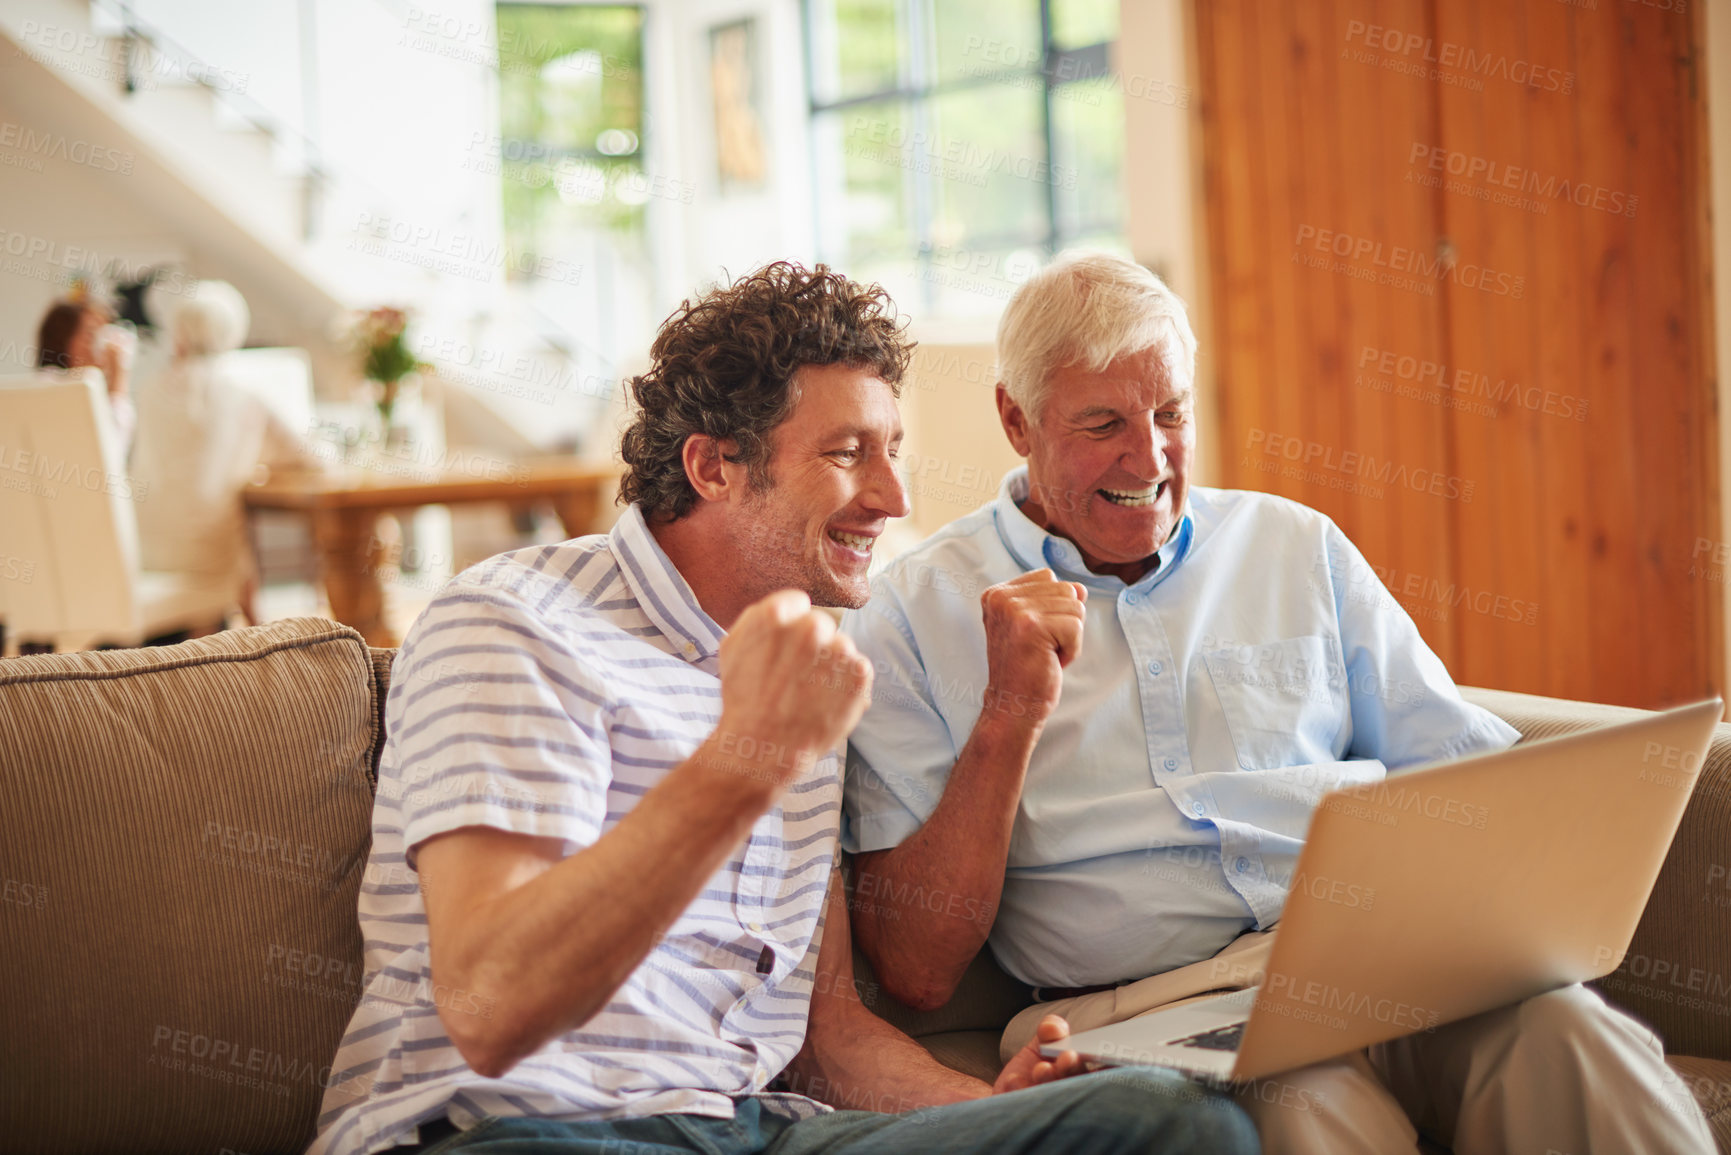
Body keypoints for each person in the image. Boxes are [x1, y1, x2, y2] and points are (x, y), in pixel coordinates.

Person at [308, 262, 1258, 1155]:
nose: (891, 496)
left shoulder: (816, 668)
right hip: (525, 1131)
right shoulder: (516, 625)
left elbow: (830, 1042)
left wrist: (998, 1110)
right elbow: (491, 1007)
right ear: (715, 465)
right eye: (848, 454)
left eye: (893, 452)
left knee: (1168, 1122)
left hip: (756, 1127)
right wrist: (747, 757)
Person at [839, 251, 1713, 1154]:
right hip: (1145, 1005)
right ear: (1015, 419)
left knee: (1572, 1036)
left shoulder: (1294, 547)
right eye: (1102, 423)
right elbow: (915, 969)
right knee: (1318, 1108)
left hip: (1382, 958)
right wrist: (1007, 714)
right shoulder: (910, 613)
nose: (1149, 456)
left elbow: (1467, 776)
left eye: (1170, 413)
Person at [127, 280, 319, 628]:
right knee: (230, 534)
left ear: (178, 331)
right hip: (206, 564)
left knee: (222, 529)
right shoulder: (240, 394)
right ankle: (257, 636)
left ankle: (253, 629)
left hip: (145, 554)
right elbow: (309, 458)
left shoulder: (147, 391)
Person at [36, 292, 136, 452]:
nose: (100, 343)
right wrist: (118, 377)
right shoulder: (48, 386)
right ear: (63, 340)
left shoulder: (94, 388)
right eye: (91, 334)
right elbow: (110, 447)